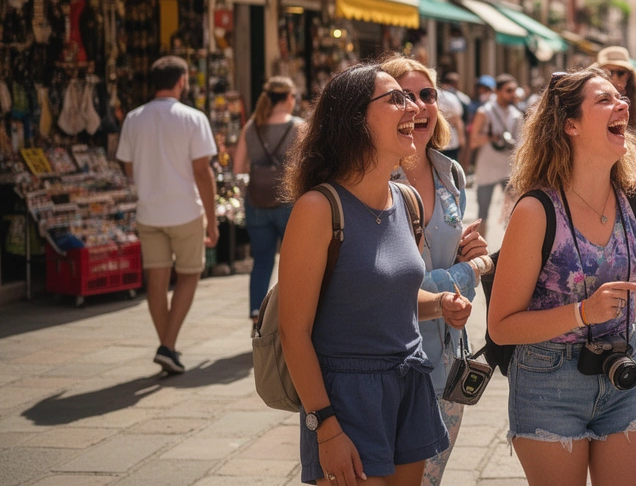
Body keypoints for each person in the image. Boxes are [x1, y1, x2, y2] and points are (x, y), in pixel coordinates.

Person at [487, 68, 636, 486]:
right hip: (548, 382)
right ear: (570, 125)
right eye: (605, 99)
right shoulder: (536, 210)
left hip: (623, 370)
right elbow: (502, 327)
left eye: (621, 97)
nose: (623, 105)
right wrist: (582, 312)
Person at [277, 64, 470, 486]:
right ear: (354, 119)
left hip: (410, 384)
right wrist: (325, 425)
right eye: (397, 98)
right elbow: (293, 332)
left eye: (415, 98)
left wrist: (440, 304)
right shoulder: (318, 209)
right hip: (348, 397)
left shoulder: (407, 201)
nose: (413, 107)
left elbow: (390, 296)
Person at [382, 57, 492, 486]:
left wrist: (468, 251)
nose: (418, 105)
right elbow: (393, 285)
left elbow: (450, 264)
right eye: (404, 96)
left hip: (448, 358)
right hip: (393, 359)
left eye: (427, 94)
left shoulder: (451, 174)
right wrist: (469, 271)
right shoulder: (376, 179)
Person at [116, 55, 219, 375]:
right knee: (189, 275)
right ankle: (168, 345)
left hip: (149, 211)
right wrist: (212, 221)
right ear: (181, 81)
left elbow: (128, 167)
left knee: (156, 281)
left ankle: (167, 347)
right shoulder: (193, 118)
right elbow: (202, 172)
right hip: (185, 210)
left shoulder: (133, 118)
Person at [233, 76, 306, 321]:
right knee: (293, 261)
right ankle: (289, 313)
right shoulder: (298, 127)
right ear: (288, 98)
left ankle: (257, 312)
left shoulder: (251, 127)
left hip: (257, 201)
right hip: (288, 200)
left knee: (262, 260)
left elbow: (238, 168)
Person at [469, 74, 522, 237]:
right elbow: (473, 141)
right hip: (487, 169)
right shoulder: (485, 112)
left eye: (514, 90)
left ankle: (512, 247)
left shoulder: (516, 114)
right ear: (497, 91)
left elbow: (521, 144)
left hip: (509, 169)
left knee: (513, 213)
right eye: (508, 90)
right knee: (483, 213)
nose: (513, 94)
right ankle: (480, 247)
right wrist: (491, 137)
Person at [436, 70, 470, 163]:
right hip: (451, 141)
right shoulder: (453, 98)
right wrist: (462, 139)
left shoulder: (430, 95)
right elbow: (457, 120)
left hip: (435, 141)